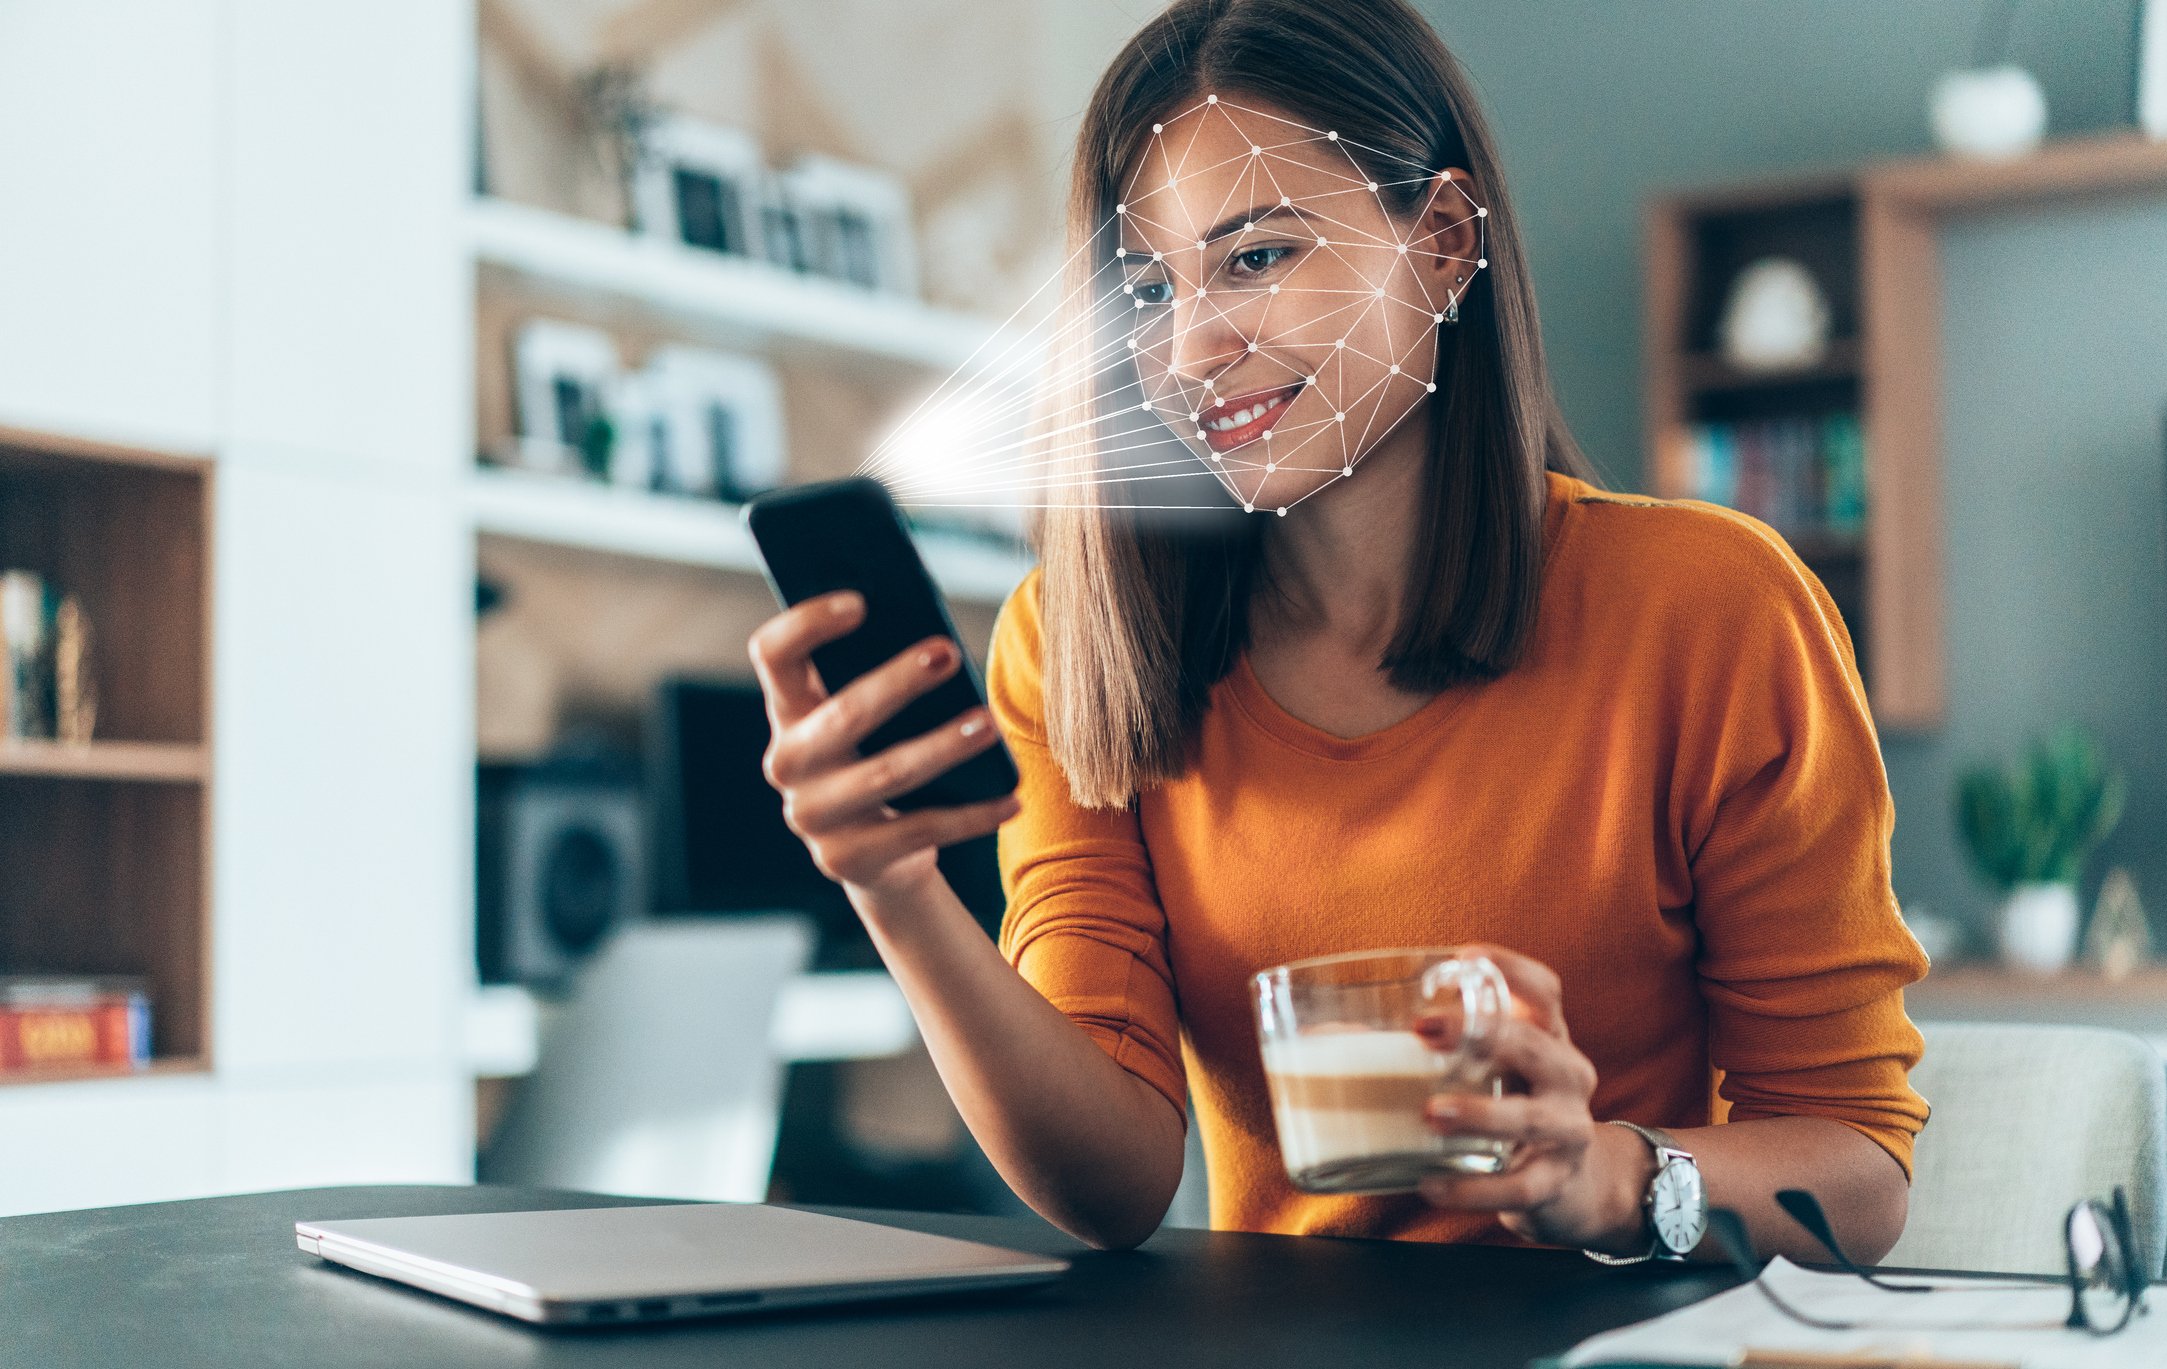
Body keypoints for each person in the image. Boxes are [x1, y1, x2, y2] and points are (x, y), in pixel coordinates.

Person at [748, 0, 1928, 1259]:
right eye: (1148, 287)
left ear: (1443, 242)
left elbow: (1860, 1173)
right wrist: (894, 891)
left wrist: (1612, 1177)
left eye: (1256, 257)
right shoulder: (1080, 646)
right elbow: (1114, 1186)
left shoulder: (1712, 608)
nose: (1193, 346)